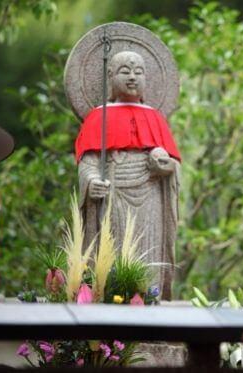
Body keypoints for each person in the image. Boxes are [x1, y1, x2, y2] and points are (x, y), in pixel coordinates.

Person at [76, 51, 181, 300]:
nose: (132, 77)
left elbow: (174, 165)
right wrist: (91, 182)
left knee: (149, 249)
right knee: (115, 250)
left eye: (139, 72)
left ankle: (148, 302)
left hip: (151, 195)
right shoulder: (98, 117)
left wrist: (165, 166)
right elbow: (88, 162)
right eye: (125, 71)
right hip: (115, 193)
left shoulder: (155, 118)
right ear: (110, 76)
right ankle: (114, 304)